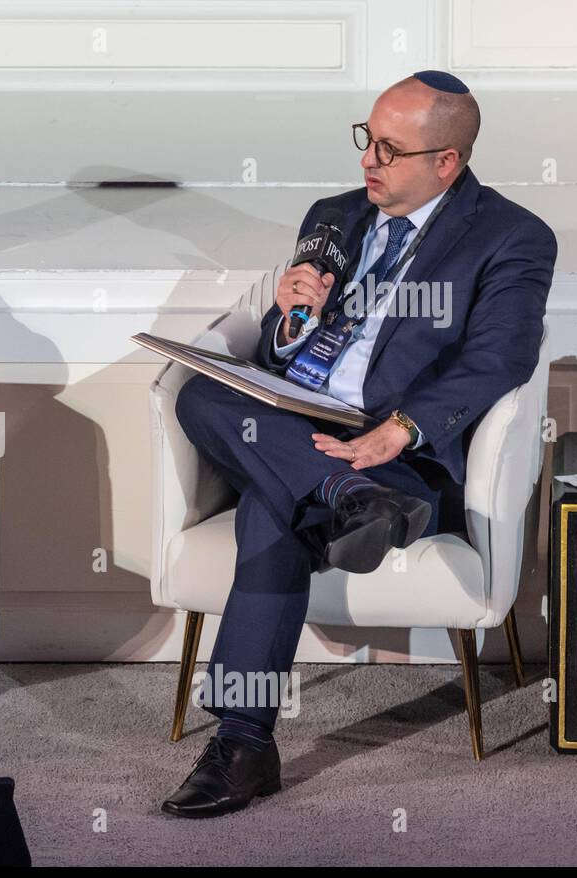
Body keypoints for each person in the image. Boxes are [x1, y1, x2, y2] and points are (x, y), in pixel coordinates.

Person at [162, 71, 556, 818]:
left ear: (447, 161)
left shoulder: (512, 236)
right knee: (204, 391)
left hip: (401, 451)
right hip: (300, 424)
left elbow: (498, 359)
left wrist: (398, 431)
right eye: (365, 140)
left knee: (271, 510)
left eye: (389, 149)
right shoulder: (335, 215)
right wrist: (287, 320)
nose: (367, 161)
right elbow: (287, 350)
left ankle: (243, 743)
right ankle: (348, 496)